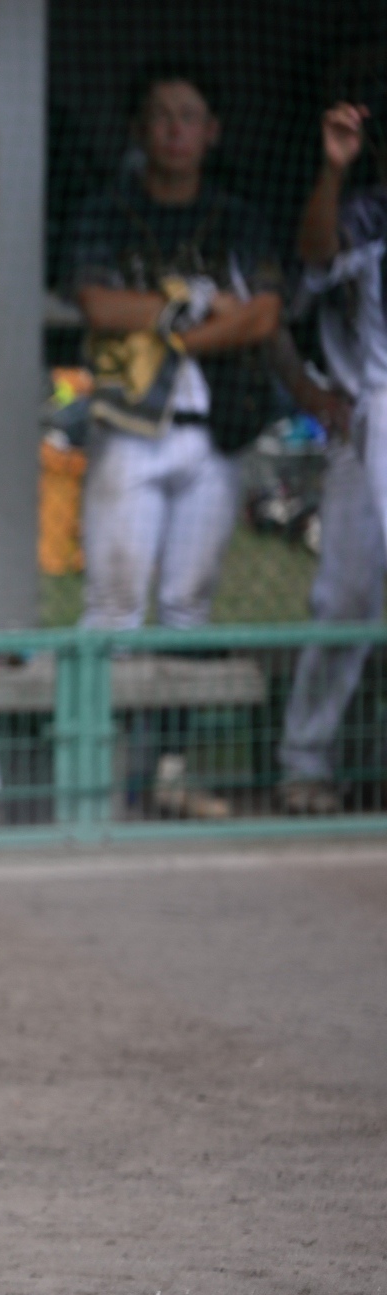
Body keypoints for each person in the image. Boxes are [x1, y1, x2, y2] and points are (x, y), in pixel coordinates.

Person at [68, 63, 282, 819]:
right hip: (130, 429)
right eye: (161, 116)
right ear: (138, 129)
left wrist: (176, 334)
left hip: (212, 436)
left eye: (189, 116)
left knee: (187, 608)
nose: (175, 130)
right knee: (114, 606)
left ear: (212, 131)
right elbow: (98, 303)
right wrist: (189, 304)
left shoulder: (235, 216)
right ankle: (89, 778)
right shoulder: (108, 210)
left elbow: (263, 315)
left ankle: (165, 774)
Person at [277, 94, 387, 815]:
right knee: (344, 601)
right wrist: (333, 170)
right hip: (371, 414)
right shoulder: (369, 211)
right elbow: (317, 254)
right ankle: (305, 763)